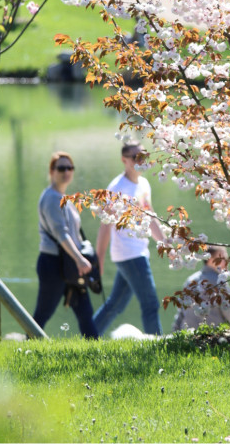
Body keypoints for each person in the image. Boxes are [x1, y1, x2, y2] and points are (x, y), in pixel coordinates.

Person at [93, 143, 165, 336]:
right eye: (135, 157)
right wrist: (98, 261)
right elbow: (105, 226)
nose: (139, 161)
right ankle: (158, 348)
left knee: (115, 305)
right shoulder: (117, 188)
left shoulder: (143, 184)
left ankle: (88, 335)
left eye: (142, 156)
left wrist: (165, 243)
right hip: (129, 254)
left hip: (139, 252)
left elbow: (150, 217)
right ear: (124, 160)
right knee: (150, 304)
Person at [33, 151, 98, 338]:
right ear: (52, 171)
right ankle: (25, 350)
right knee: (43, 313)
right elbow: (61, 234)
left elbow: (75, 234)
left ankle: (98, 354)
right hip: (54, 264)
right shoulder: (51, 198)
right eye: (61, 168)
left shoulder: (65, 199)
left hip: (71, 264)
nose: (66, 172)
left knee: (85, 313)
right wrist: (80, 259)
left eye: (70, 168)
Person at [172, 245, 230, 332]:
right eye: (222, 258)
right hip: (212, 334)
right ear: (210, 259)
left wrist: (176, 330)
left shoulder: (190, 280)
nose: (226, 262)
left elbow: (181, 312)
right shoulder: (218, 281)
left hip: (188, 333)